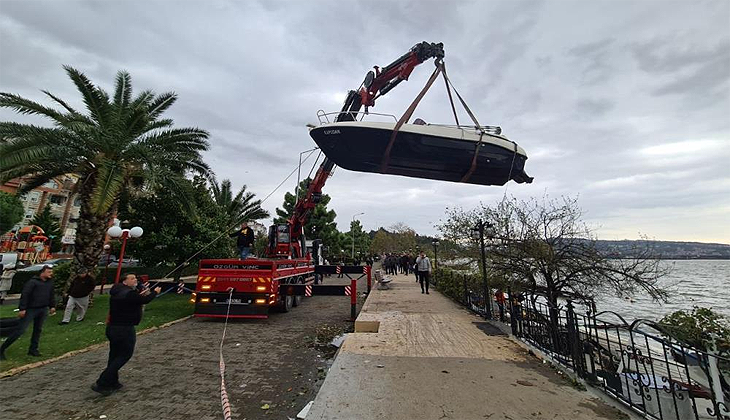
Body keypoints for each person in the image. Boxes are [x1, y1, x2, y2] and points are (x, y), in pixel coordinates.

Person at [92, 273, 161, 395]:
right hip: (124, 329)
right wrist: (155, 292)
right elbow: (145, 300)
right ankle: (102, 381)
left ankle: (113, 381)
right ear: (124, 282)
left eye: (135, 278)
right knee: (125, 354)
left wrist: (140, 296)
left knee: (114, 355)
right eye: (132, 278)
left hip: (112, 328)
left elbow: (133, 300)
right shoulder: (129, 293)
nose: (135, 280)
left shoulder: (118, 291)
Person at [0, 265, 56, 360]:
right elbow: (25, 295)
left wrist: (52, 306)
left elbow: (51, 295)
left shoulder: (49, 283)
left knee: (38, 330)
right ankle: (2, 349)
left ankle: (33, 349)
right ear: (42, 272)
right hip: (31, 309)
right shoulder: (33, 282)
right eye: (49, 272)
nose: (51, 274)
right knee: (20, 330)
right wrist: (22, 309)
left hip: (43, 309)